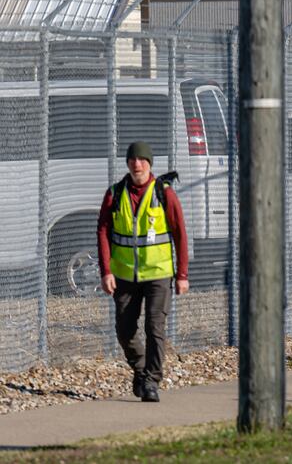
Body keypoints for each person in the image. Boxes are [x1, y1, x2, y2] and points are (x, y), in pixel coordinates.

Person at [97, 141, 189, 403]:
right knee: (125, 330)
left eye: (142, 160)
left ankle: (152, 381)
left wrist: (182, 274)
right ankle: (140, 370)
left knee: (154, 327)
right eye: (132, 160)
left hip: (158, 273)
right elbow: (103, 231)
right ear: (127, 164)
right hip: (124, 275)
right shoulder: (115, 194)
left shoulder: (164, 193)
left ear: (149, 164)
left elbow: (180, 234)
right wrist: (106, 271)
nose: (137, 164)